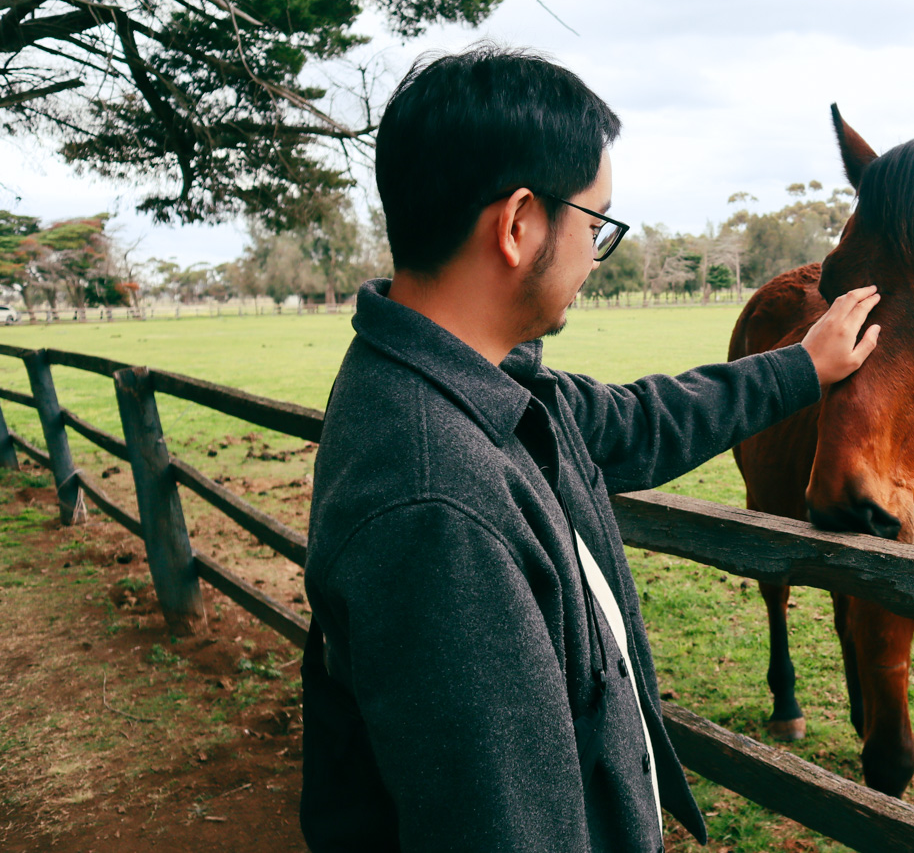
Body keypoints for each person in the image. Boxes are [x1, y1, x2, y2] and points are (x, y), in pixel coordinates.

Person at [298, 43, 881, 853]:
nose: (595, 259)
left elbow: (638, 419)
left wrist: (801, 368)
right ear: (517, 224)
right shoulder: (436, 508)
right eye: (596, 223)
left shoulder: (462, 386)